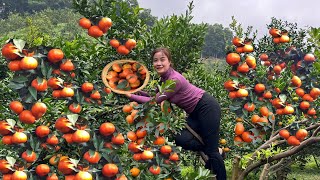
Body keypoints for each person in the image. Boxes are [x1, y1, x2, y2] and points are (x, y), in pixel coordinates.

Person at [126, 47, 227, 180]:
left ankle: (218, 166)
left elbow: (154, 101)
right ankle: (215, 149)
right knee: (180, 138)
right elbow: (153, 95)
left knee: (211, 152)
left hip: (206, 108)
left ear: (169, 62)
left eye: (162, 59)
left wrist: (130, 96)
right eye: (155, 60)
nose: (159, 63)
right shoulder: (164, 79)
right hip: (195, 113)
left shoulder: (174, 80)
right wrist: (137, 92)